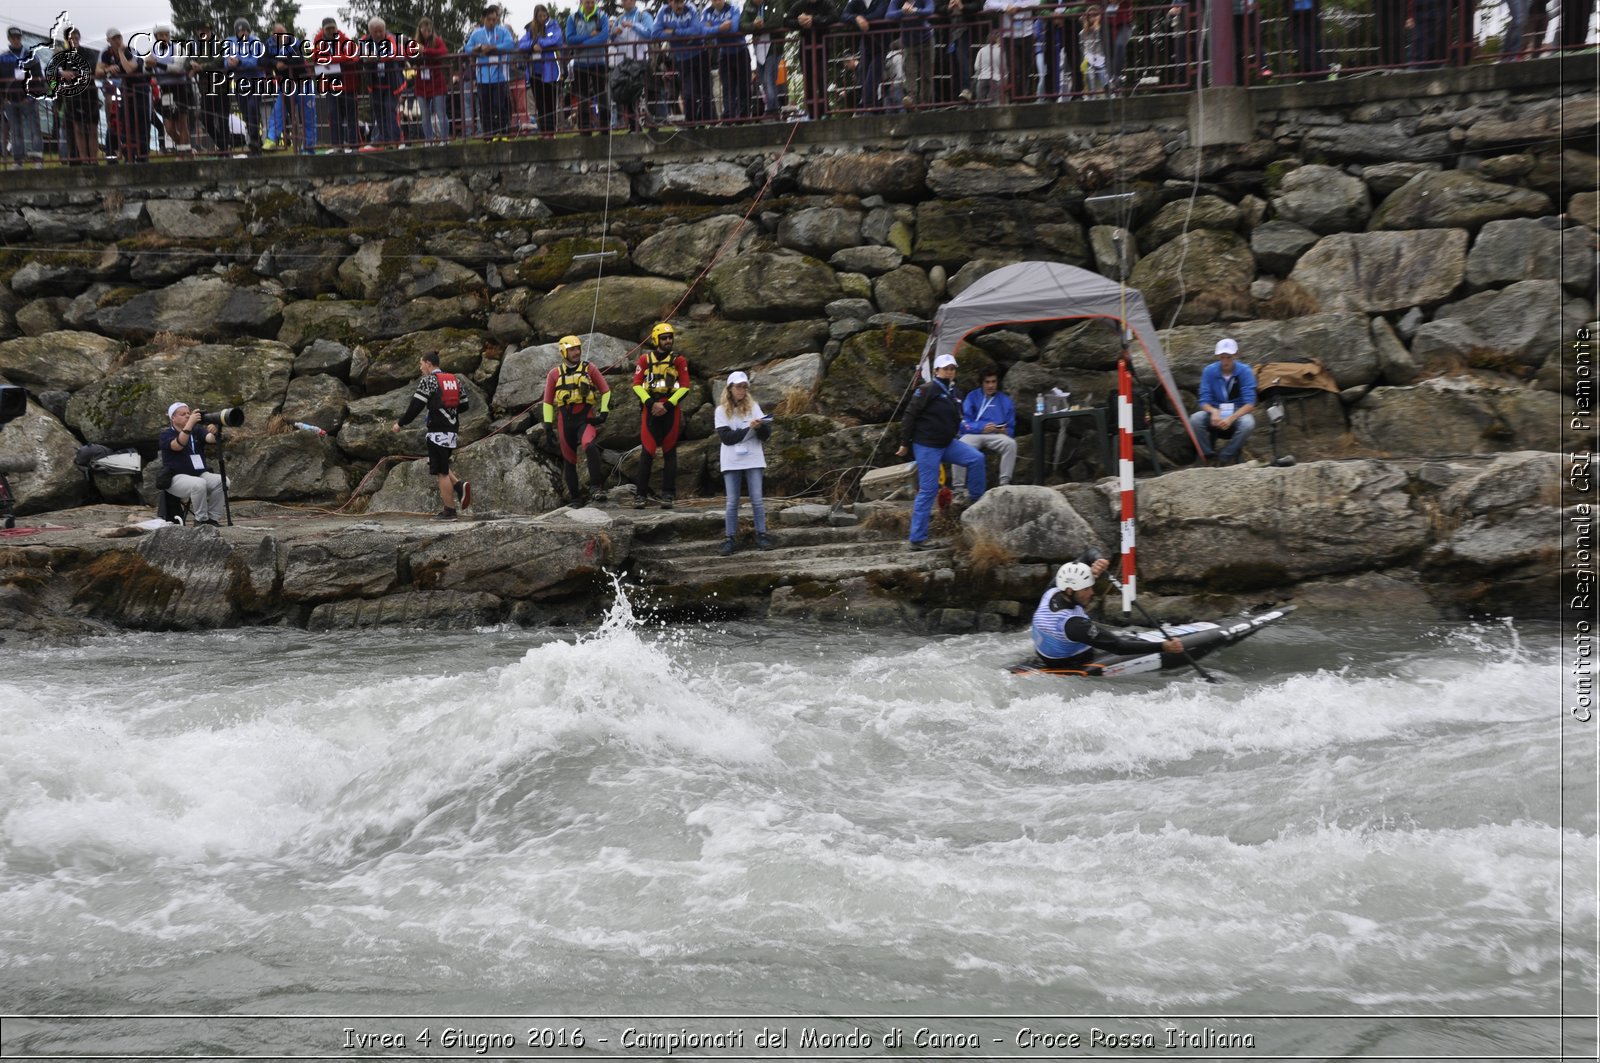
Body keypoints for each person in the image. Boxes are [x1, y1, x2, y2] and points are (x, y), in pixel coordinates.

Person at [895, 352, 986, 550]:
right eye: (945, 368)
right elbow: (910, 415)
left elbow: (957, 419)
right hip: (926, 445)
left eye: (952, 368)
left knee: (976, 458)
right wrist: (904, 443)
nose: (949, 371)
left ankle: (977, 502)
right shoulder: (927, 389)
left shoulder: (955, 393)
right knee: (928, 490)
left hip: (947, 444)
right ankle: (917, 539)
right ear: (936, 371)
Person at [1031, 557, 1181, 666]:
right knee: (1121, 639)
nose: (1092, 593)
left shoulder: (1053, 590)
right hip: (1071, 662)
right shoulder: (1072, 624)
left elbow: (1087, 554)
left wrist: (1097, 561)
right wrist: (1163, 647)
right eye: (1086, 589)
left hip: (1044, 653)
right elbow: (1118, 647)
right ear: (1070, 591)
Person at [391, 351, 471, 521]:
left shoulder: (429, 381)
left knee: (441, 472)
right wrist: (449, 411)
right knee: (442, 464)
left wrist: (401, 423)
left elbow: (415, 406)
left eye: (421, 364)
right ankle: (459, 486)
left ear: (428, 363)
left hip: (436, 432)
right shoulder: (454, 380)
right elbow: (464, 405)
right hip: (451, 430)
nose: (420, 368)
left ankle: (449, 511)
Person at [542, 335, 613, 505]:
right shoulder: (554, 374)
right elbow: (547, 401)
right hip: (565, 421)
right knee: (569, 459)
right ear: (563, 352)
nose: (576, 352)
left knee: (590, 445)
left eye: (578, 349)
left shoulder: (590, 369)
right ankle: (575, 499)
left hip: (585, 417)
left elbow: (606, 391)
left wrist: (603, 413)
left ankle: (596, 488)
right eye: (572, 349)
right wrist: (548, 427)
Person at [715, 371, 774, 555]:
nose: (742, 390)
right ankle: (730, 538)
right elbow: (727, 438)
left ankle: (761, 534)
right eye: (738, 387)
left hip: (753, 457)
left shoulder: (753, 407)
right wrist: (748, 429)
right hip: (732, 460)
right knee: (732, 501)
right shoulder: (720, 411)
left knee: (757, 499)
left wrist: (761, 427)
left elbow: (766, 436)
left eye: (744, 387)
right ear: (730, 388)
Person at [633, 322, 690, 509]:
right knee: (647, 451)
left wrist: (667, 405)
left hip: (670, 410)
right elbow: (636, 385)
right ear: (656, 339)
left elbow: (685, 387)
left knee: (669, 451)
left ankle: (668, 494)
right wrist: (651, 404)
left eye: (670, 338)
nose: (668, 341)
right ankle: (640, 495)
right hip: (650, 409)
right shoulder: (644, 360)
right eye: (664, 338)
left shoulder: (678, 360)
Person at [1187, 337, 1257, 466]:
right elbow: (1204, 399)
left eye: (1229, 357)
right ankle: (1208, 455)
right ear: (1218, 356)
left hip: (1237, 412)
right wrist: (1213, 411)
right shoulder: (1209, 371)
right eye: (1222, 357)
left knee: (1248, 423)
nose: (1225, 361)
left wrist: (1231, 418)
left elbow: (1250, 403)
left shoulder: (1245, 371)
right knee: (1195, 419)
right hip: (1216, 410)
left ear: (1235, 355)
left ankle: (1226, 456)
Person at [159, 401, 227, 526]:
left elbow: (210, 439)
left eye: (188, 413)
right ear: (173, 418)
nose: (187, 416)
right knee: (198, 484)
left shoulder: (196, 430)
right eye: (182, 414)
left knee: (223, 480)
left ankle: (212, 518)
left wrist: (215, 431)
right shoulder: (166, 434)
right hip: (175, 478)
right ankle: (201, 520)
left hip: (198, 474)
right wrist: (190, 423)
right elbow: (177, 446)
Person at [955, 365, 1016, 491]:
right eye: (987, 382)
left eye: (993, 382)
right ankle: (958, 487)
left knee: (1011, 444)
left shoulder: (1005, 401)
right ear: (982, 383)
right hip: (973, 433)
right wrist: (981, 428)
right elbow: (963, 423)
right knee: (958, 446)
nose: (990, 386)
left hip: (996, 435)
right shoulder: (972, 397)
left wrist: (1005, 431)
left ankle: (1005, 483)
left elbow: (1011, 427)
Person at [465, 5, 516, 136]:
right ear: (483, 19)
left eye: (494, 19)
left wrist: (493, 48)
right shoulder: (476, 33)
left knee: (499, 106)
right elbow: (467, 48)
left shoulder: (503, 31)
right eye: (489, 19)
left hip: (500, 76)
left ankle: (503, 132)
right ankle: (488, 134)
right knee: (485, 108)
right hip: (483, 77)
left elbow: (510, 44)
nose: (492, 22)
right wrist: (477, 49)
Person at [312, 17, 360, 151]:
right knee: (334, 115)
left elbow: (352, 56)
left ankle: (354, 145)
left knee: (351, 116)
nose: (331, 30)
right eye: (328, 29)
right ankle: (337, 145)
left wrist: (331, 60)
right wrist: (336, 60)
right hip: (331, 86)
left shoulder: (344, 40)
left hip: (348, 84)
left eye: (333, 28)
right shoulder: (318, 41)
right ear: (323, 30)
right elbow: (316, 57)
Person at [565, 0, 611, 133]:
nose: (590, 5)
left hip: (599, 62)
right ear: (581, 3)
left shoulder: (602, 16)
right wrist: (589, 37)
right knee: (583, 97)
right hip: (580, 63)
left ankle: (605, 127)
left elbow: (603, 37)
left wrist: (582, 44)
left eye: (592, 2)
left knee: (601, 95)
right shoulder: (572, 17)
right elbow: (569, 39)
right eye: (587, 2)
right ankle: (585, 128)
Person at [2, 27, 44, 169]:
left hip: (28, 100)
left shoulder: (30, 55)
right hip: (10, 101)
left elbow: (39, 77)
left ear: (21, 38)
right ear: (9, 39)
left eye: (18, 37)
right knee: (16, 131)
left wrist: (32, 97)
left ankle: (38, 159)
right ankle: (17, 160)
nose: (16, 40)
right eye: (13, 37)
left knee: (35, 129)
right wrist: (3, 99)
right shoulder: (3, 57)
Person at [521, 6, 564, 135]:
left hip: (551, 71)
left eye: (544, 15)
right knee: (540, 104)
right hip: (535, 72)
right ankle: (544, 131)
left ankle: (551, 131)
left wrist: (540, 43)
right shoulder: (531, 28)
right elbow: (522, 44)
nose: (542, 19)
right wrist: (533, 45)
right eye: (540, 16)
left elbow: (556, 40)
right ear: (536, 17)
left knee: (550, 102)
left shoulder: (554, 26)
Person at [414, 17, 451, 143]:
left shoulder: (437, 40)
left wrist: (425, 50)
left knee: (441, 112)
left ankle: (445, 139)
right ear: (420, 30)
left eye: (429, 30)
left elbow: (443, 51)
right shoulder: (415, 42)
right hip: (421, 84)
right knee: (425, 114)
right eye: (424, 30)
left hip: (436, 81)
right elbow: (407, 54)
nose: (426, 32)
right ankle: (428, 140)